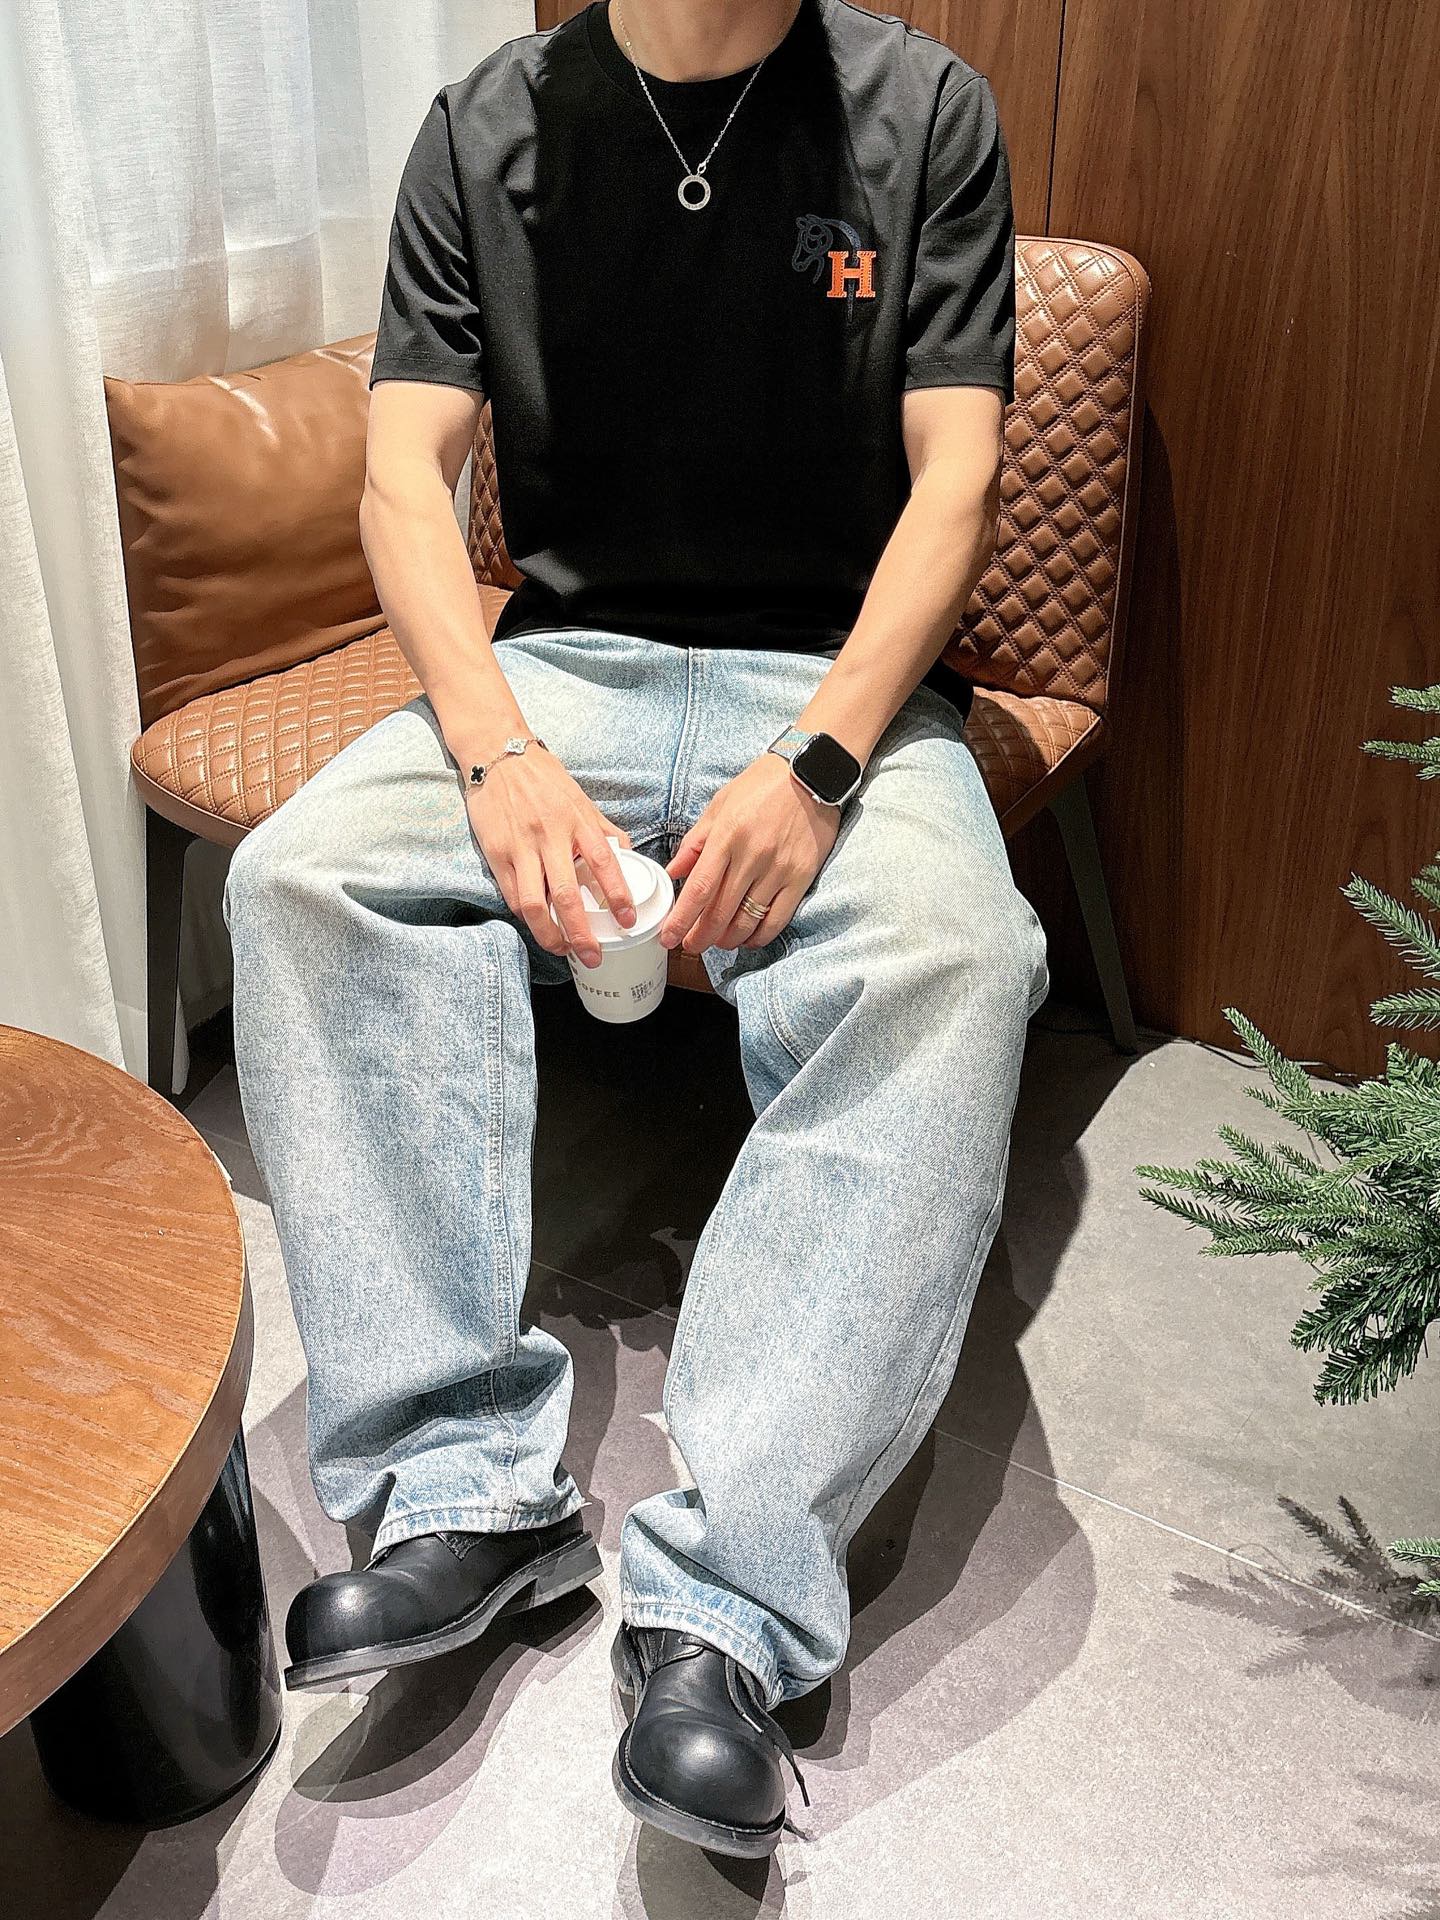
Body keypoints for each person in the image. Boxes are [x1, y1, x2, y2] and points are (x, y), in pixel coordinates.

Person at [225, 0, 1048, 1859]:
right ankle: (460, 1488)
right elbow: (403, 481)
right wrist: (494, 750)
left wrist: (821, 761)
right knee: (301, 879)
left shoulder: (923, 112)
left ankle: (726, 1607)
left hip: (830, 678)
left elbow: (960, 478)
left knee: (955, 960)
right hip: (564, 666)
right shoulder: (484, 128)